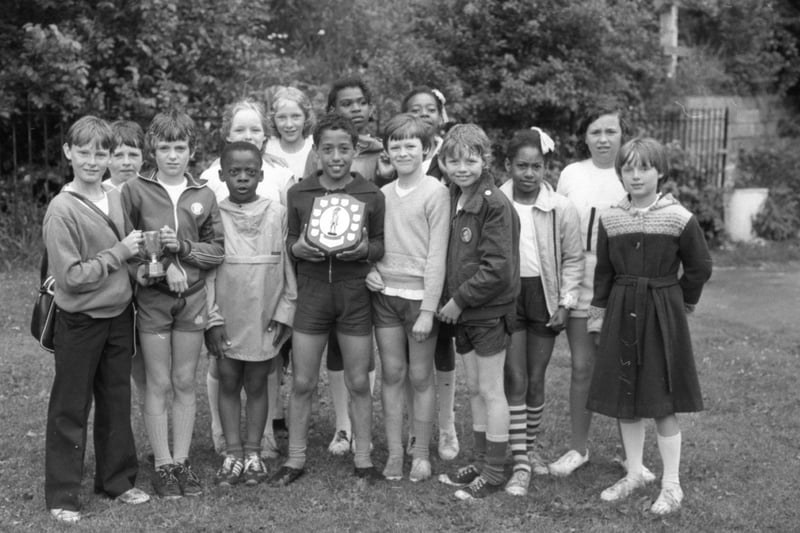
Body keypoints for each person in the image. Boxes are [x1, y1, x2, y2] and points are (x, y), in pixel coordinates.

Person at [587, 137, 712, 514]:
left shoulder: (678, 217)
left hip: (660, 310)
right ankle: (636, 471)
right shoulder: (611, 217)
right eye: (628, 168)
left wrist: (681, 301)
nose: (636, 175)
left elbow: (700, 267)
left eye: (644, 168)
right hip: (622, 308)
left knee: (662, 399)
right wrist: (598, 314)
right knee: (626, 396)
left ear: (661, 172)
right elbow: (604, 272)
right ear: (620, 173)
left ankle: (671, 483)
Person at [269, 112, 385, 486]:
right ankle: (295, 459)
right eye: (328, 149)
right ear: (315, 151)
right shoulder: (299, 192)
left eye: (344, 149)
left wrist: (366, 251)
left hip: (353, 297)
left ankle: (364, 459)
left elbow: (380, 243)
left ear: (356, 150)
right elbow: (289, 240)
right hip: (313, 296)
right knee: (302, 381)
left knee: (358, 381)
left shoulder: (370, 193)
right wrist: (298, 248)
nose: (336, 157)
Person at [44, 116, 149, 523]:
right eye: (83, 151)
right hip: (81, 321)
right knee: (71, 406)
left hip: (119, 316)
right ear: (69, 152)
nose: (92, 160)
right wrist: (120, 254)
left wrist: (141, 264)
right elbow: (70, 278)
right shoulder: (62, 210)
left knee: (115, 400)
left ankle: (117, 481)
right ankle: (62, 495)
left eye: (100, 152)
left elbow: (127, 254)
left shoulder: (114, 194)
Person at [121, 108, 225, 499]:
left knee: (185, 380)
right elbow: (128, 248)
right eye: (164, 147)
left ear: (192, 149)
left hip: (193, 300)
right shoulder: (136, 190)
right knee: (158, 383)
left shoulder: (204, 194)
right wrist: (152, 270)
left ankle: (182, 461)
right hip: (152, 302)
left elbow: (217, 251)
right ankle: (162, 465)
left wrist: (181, 251)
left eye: (179, 147)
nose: (172, 155)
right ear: (153, 149)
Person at [551, 103, 655, 482]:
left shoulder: (631, 173)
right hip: (579, 282)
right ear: (584, 136)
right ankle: (578, 448)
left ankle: (633, 458)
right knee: (582, 367)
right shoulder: (571, 174)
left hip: (621, 286)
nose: (603, 138)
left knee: (626, 368)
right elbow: (559, 227)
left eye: (610, 131)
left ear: (622, 134)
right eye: (595, 131)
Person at [199, 98, 296, 460]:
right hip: (226, 316)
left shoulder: (279, 211)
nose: (242, 178)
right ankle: (231, 449)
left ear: (260, 174)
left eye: (249, 173)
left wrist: (286, 312)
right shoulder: (212, 208)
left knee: (260, 383)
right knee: (226, 380)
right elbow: (207, 268)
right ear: (223, 176)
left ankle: (256, 449)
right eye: (234, 173)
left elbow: (288, 269)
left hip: (265, 317)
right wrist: (211, 319)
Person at [498, 128, 584, 496]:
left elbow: (573, 260)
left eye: (537, 166)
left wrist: (566, 303)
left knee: (536, 377)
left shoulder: (560, 207)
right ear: (508, 166)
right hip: (508, 295)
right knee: (514, 377)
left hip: (544, 297)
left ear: (547, 167)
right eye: (521, 166)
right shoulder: (495, 203)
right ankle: (519, 461)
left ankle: (527, 448)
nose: (529, 174)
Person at [436, 124, 519, 500]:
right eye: (454, 161)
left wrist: (458, 300)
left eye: (471, 160)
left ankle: (496, 471)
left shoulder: (493, 204)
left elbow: (496, 268)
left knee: (490, 390)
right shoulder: (456, 195)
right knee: (474, 391)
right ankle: (482, 459)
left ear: (485, 160)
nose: (462, 167)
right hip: (466, 315)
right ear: (442, 163)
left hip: (485, 312)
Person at [365, 114, 450, 482]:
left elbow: (437, 255)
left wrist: (429, 310)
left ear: (426, 149)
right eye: (395, 145)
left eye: (410, 145)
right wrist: (368, 269)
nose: (402, 151)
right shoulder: (381, 194)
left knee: (420, 376)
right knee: (392, 373)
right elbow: (373, 244)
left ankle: (420, 453)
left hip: (419, 300)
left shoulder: (437, 193)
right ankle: (395, 452)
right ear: (387, 149)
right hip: (385, 296)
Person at [305, 78, 382, 456]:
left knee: (362, 354)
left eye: (360, 102)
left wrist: (370, 253)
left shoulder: (384, 151)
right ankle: (342, 426)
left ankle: (362, 429)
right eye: (345, 103)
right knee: (335, 350)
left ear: (370, 107)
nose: (354, 108)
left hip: (368, 270)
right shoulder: (320, 153)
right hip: (323, 276)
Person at [400, 87, 460, 460]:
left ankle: (447, 426)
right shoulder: (403, 151)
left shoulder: (452, 151)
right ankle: (414, 427)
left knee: (443, 347)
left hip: (449, 262)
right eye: (414, 110)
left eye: (429, 109)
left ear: (441, 114)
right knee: (411, 354)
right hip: (411, 268)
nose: (423, 115)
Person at [265, 86, 317, 180]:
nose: (289, 124)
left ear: (306, 117)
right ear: (273, 119)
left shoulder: (315, 143)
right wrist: (261, 156)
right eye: (281, 117)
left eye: (296, 116)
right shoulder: (267, 146)